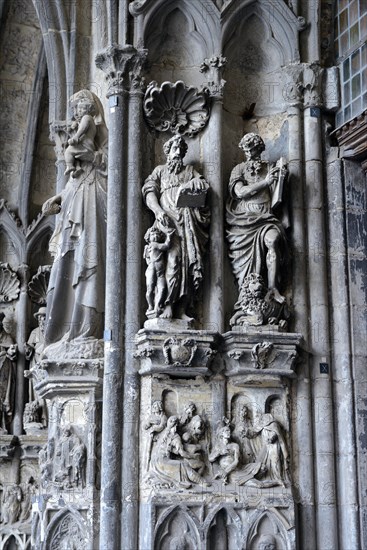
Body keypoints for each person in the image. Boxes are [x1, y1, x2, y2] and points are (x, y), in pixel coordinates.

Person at [42, 90, 108, 353]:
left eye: (81, 107)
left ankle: (88, 329)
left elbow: (113, 173)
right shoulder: (78, 161)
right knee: (67, 265)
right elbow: (72, 184)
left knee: (89, 264)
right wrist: (56, 200)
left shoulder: (102, 148)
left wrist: (91, 158)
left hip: (93, 211)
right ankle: (64, 330)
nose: (78, 112)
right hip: (72, 215)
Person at [142, 134, 210, 321]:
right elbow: (149, 193)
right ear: (167, 152)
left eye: (181, 149)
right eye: (174, 149)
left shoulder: (189, 170)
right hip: (165, 224)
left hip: (186, 224)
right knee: (168, 264)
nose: (178, 152)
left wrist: (193, 184)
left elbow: (203, 185)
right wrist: (158, 211)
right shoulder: (160, 171)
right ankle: (164, 305)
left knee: (183, 263)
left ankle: (181, 308)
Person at [226, 133, 288, 304]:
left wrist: (281, 179)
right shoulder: (238, 169)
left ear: (259, 148)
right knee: (244, 269)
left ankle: (273, 287)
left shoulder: (270, 167)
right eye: (245, 149)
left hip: (266, 217)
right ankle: (246, 298)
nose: (248, 152)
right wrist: (266, 183)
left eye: (251, 148)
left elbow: (278, 195)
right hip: (243, 221)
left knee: (273, 241)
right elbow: (240, 192)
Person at [144, 227, 174, 317]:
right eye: (153, 235)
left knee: (162, 288)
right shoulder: (152, 245)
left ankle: (157, 306)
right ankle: (151, 305)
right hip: (152, 269)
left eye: (157, 234)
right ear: (149, 237)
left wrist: (169, 237)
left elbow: (166, 246)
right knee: (150, 289)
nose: (155, 236)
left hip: (160, 272)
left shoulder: (157, 245)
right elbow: (147, 258)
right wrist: (169, 236)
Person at [64, 99, 98, 177]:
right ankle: (78, 167)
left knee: (68, 151)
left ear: (89, 110)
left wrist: (76, 137)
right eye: (79, 108)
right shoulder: (85, 119)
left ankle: (69, 166)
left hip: (86, 145)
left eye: (83, 108)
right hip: (86, 144)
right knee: (74, 153)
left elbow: (83, 128)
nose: (79, 111)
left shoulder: (87, 117)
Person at [0, 312, 17, 434]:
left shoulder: (6, 337)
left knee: (2, 397)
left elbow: (12, 352)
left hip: (3, 372)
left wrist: (10, 352)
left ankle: (3, 426)